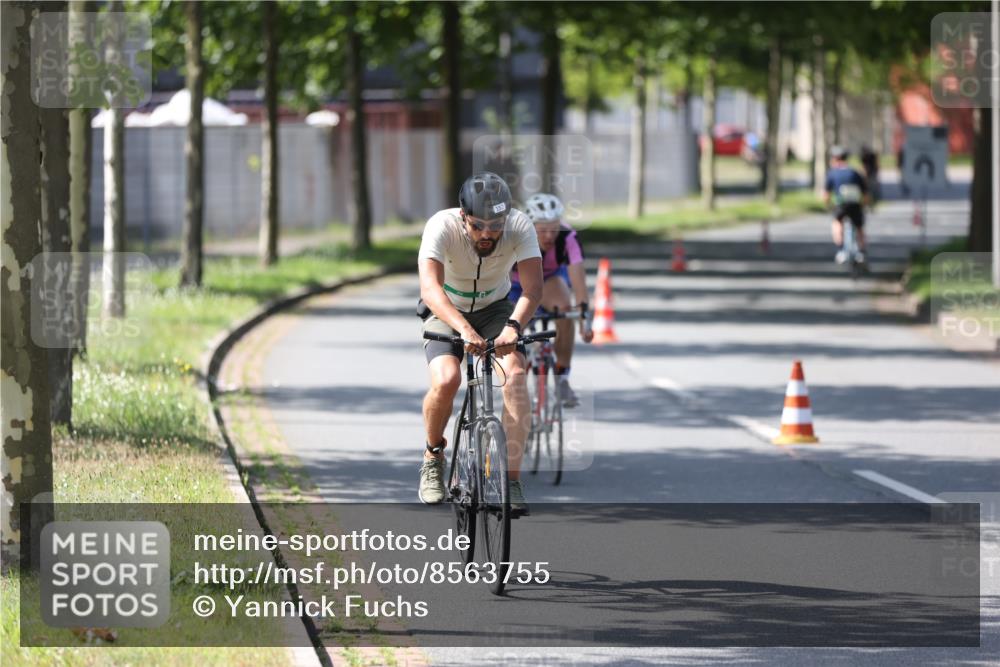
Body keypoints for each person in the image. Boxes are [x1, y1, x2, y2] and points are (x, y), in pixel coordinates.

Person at [416, 172, 543, 514]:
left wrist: (514, 326)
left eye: (496, 226)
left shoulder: (520, 226)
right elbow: (430, 288)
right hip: (447, 308)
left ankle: (511, 481)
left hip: (496, 309)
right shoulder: (441, 226)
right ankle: (433, 456)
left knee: (515, 378)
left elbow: (533, 288)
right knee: (447, 379)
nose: (487, 234)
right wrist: (463, 330)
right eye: (478, 226)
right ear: (463, 216)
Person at [509, 193, 593, 407]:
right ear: (530, 227)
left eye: (554, 229)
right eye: (542, 230)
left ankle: (562, 377)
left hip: (548, 280)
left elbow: (579, 283)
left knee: (565, 310)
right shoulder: (515, 235)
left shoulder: (567, 238)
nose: (549, 236)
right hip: (514, 283)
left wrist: (584, 320)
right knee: (510, 326)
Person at [824, 146, 870, 264]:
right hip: (855, 205)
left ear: (835, 159)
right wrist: (864, 205)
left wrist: (828, 205)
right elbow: (865, 194)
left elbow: (826, 195)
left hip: (841, 205)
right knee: (859, 227)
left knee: (837, 223)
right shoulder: (855, 173)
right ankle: (862, 252)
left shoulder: (832, 173)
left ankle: (841, 250)